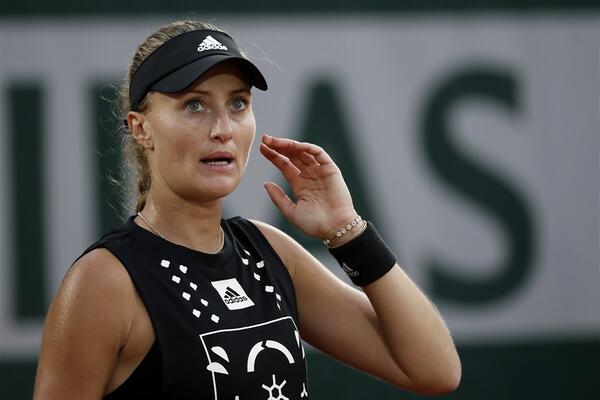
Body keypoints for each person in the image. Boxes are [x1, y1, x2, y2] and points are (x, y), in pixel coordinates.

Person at [33, 20, 461, 400]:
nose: (222, 129)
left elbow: (435, 370)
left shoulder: (267, 250)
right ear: (140, 128)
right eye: (194, 105)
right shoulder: (105, 281)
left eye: (238, 103)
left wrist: (348, 231)